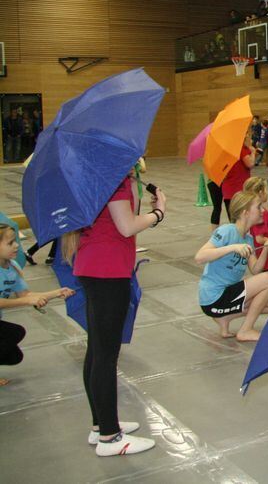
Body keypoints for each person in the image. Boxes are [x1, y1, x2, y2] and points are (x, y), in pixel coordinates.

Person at [63, 168, 166, 455]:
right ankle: (110, 437)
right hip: (108, 271)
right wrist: (159, 213)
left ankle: (101, 425)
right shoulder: (112, 179)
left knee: (97, 350)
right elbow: (126, 226)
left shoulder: (95, 177)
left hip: (93, 266)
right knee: (105, 356)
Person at [195, 190, 268, 342]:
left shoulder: (248, 239)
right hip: (214, 297)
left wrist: (266, 248)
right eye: (258, 207)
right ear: (246, 212)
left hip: (227, 296)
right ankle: (246, 330)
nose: (263, 210)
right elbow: (200, 257)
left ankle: (225, 318)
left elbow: (256, 269)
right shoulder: (226, 231)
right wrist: (232, 247)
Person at [0, 224, 74, 386]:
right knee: (12, 334)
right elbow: (25, 300)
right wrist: (27, 301)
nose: (16, 245)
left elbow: (25, 295)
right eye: (10, 243)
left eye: (16, 241)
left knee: (14, 353)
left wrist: (56, 293)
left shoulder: (11, 267)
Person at [221, 128, 257, 219]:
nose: (249, 136)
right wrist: (253, 152)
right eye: (247, 134)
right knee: (240, 221)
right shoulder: (241, 148)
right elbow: (250, 163)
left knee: (234, 220)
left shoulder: (229, 148)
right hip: (237, 189)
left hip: (229, 189)